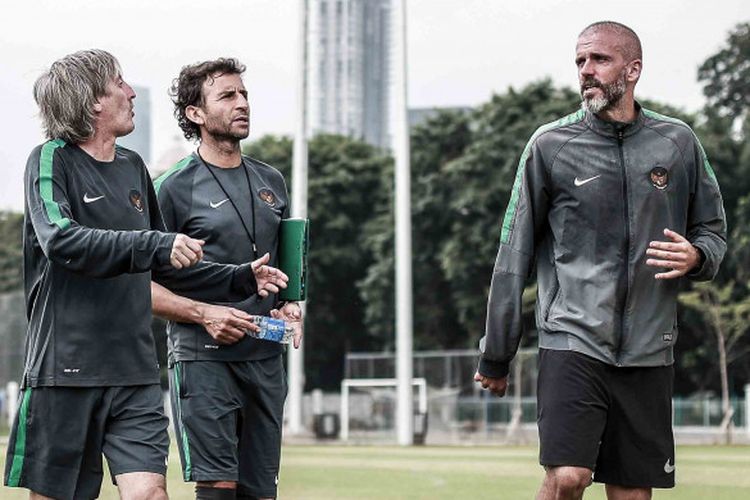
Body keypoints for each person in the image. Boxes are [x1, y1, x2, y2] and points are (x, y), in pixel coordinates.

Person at [3, 49, 288, 500]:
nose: (132, 92)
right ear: (94, 99)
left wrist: (238, 279)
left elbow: (164, 261)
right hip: (66, 372)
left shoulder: (133, 167)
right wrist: (157, 244)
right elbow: (61, 240)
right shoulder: (50, 159)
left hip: (135, 375)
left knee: (151, 494)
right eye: (121, 83)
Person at [474, 21, 726, 500]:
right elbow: (514, 254)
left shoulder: (678, 142)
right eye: (580, 62)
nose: (586, 71)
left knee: (632, 494)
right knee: (569, 476)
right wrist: (496, 352)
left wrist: (698, 257)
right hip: (573, 337)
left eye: (599, 60)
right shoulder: (550, 145)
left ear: (632, 70)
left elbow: (712, 231)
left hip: (652, 346)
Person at [151, 57, 303, 500]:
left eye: (244, 94)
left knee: (260, 492)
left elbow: (286, 265)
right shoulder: (173, 188)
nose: (243, 104)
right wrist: (202, 314)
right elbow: (145, 284)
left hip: (266, 357)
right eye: (228, 96)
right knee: (218, 489)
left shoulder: (270, 179)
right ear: (195, 114)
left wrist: (291, 300)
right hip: (204, 361)